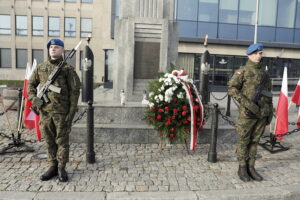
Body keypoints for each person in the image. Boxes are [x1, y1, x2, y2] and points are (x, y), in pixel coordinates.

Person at [28, 39, 81, 182]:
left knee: (62, 141)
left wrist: (71, 112)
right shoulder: (40, 68)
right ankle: (52, 166)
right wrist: (34, 99)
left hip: (61, 112)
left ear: (62, 50)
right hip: (45, 112)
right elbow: (30, 86)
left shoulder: (67, 69)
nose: (53, 49)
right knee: (49, 141)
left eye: (57, 47)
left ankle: (61, 167)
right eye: (51, 47)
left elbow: (74, 92)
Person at [228, 43, 273, 182]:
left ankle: (251, 167)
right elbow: (232, 89)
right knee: (244, 141)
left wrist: (269, 111)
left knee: (255, 141)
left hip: (261, 113)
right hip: (247, 113)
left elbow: (269, 94)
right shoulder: (243, 71)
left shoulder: (265, 74)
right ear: (249, 55)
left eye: (260, 53)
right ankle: (242, 168)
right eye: (256, 53)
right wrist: (248, 105)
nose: (258, 56)